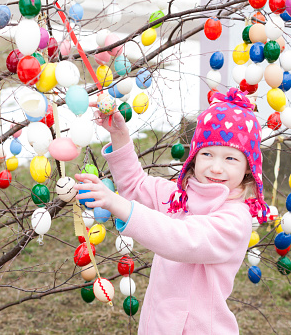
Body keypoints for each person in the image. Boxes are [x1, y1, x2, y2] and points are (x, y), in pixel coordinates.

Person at [74, 88, 269, 334]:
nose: (216, 168)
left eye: (231, 159)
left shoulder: (235, 220)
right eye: (207, 154)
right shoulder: (180, 198)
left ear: (248, 169)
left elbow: (181, 239)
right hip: (159, 324)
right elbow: (136, 185)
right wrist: (120, 135)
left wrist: (116, 203)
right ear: (194, 158)